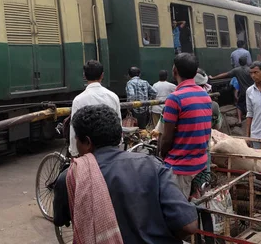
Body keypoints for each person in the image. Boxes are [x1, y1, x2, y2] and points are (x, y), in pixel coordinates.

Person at [53, 104, 198, 243]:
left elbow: (60, 220)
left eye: (77, 140)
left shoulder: (70, 177)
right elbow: (188, 226)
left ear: (87, 143)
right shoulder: (152, 165)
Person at [161, 53, 212, 198]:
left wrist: (163, 156)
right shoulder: (205, 95)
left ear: (174, 71)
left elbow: (166, 139)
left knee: (177, 210)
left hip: (181, 165)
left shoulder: (174, 98)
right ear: (195, 73)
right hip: (200, 162)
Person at [70, 60, 121, 157]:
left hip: (88, 152)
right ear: (102, 75)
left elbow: (74, 129)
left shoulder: (78, 100)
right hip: (110, 150)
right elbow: (118, 124)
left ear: (84, 76)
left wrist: (74, 152)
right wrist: (118, 145)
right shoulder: (113, 97)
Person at [210, 56, 254, 125]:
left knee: (239, 106)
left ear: (239, 62)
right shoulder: (250, 70)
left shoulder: (237, 70)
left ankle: (239, 120)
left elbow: (225, 74)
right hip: (252, 92)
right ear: (246, 62)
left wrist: (213, 77)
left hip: (243, 92)